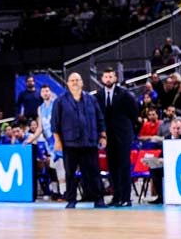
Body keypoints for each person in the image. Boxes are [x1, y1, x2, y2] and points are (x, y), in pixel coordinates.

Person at [52, 72, 107, 209]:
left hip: (89, 142)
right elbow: (55, 124)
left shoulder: (91, 99)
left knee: (94, 172)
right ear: (68, 83)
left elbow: (100, 118)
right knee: (70, 173)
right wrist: (57, 141)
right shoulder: (60, 101)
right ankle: (71, 200)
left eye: (78, 80)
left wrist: (103, 136)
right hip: (70, 143)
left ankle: (98, 199)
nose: (75, 82)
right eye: (72, 80)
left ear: (82, 83)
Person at [99, 67, 137, 207]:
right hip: (108, 137)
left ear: (115, 78)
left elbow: (133, 113)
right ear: (102, 79)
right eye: (106, 77)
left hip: (123, 135)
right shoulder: (99, 95)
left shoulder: (124, 94)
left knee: (124, 166)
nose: (108, 79)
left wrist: (126, 129)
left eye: (111, 76)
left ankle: (126, 198)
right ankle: (116, 196)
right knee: (112, 167)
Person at [24, 84, 66, 199]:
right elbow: (40, 128)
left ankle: (66, 193)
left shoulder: (56, 104)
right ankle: (62, 193)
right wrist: (31, 139)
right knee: (57, 167)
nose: (45, 93)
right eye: (43, 92)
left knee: (63, 166)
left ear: (51, 92)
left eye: (47, 91)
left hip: (60, 140)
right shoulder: (40, 108)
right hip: (50, 143)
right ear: (41, 94)